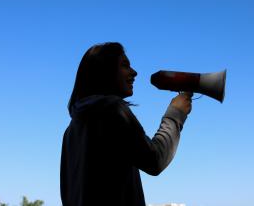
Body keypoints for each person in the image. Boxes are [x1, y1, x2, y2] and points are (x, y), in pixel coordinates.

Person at [60, 42, 192, 206]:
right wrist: (175, 114)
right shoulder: (112, 110)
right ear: (104, 71)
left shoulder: (71, 131)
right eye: (124, 65)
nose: (134, 72)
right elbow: (155, 160)